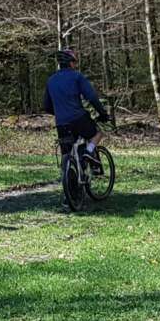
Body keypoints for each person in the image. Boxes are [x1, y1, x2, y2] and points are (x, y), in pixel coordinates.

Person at [44, 48, 109, 209]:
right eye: (75, 62)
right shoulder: (77, 76)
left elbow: (46, 106)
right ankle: (88, 151)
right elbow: (91, 97)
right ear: (71, 63)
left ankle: (70, 194)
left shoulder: (51, 80)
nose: (75, 64)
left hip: (61, 123)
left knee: (66, 155)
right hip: (79, 118)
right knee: (97, 133)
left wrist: (60, 112)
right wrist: (102, 113)